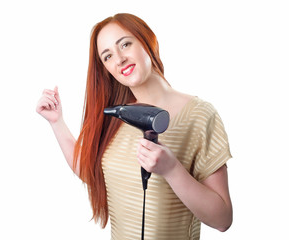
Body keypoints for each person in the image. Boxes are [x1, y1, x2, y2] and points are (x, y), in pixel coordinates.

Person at [36, 13, 232, 240]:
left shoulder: (200, 115)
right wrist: (56, 122)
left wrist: (172, 170)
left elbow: (222, 219)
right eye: (107, 56)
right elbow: (90, 171)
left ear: (148, 41)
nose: (118, 59)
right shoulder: (116, 116)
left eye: (125, 44)